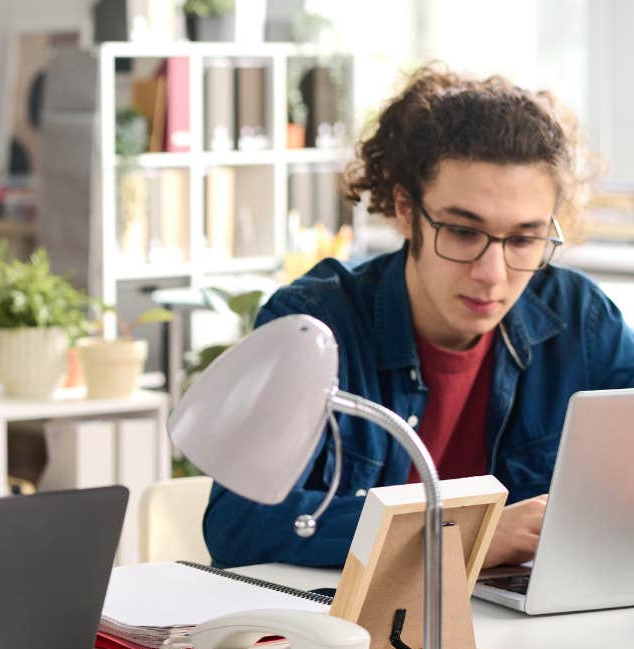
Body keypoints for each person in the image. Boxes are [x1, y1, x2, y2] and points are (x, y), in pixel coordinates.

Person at [204, 65, 634, 568]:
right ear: (407, 211)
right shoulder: (317, 325)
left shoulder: (580, 321)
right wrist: (458, 534)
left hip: (524, 630)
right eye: (463, 232)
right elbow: (240, 525)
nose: (492, 274)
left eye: (522, 240)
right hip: (350, 634)